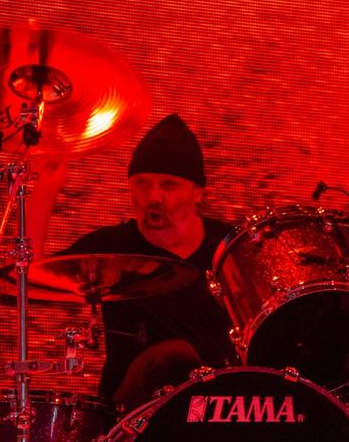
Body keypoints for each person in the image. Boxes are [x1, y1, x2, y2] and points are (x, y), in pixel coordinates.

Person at [29, 114, 237, 409]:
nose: (153, 196)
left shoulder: (229, 247)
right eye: (142, 183)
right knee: (171, 355)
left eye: (169, 185)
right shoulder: (111, 248)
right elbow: (30, 284)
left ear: (198, 193)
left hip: (222, 408)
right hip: (128, 413)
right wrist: (43, 192)